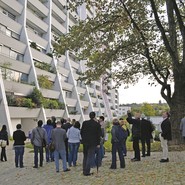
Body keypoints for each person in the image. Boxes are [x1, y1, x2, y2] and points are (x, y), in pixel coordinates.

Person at [81, 112, 102, 176]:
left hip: (85, 142)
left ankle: (84, 170)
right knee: (90, 157)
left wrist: (83, 139)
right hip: (93, 142)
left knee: (85, 156)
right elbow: (99, 135)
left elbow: (81, 132)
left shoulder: (85, 123)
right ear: (94, 116)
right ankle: (87, 171)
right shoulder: (97, 124)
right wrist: (98, 143)